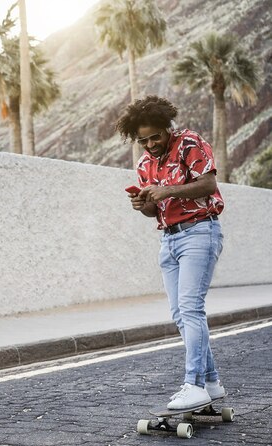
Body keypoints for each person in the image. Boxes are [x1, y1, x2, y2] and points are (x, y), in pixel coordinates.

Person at [116, 95, 226, 410]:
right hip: (169, 240)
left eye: (155, 136)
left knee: (190, 308)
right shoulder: (144, 165)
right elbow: (154, 210)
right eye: (143, 140)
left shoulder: (189, 143)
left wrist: (167, 190)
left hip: (199, 231)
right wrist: (143, 205)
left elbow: (208, 185)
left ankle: (193, 385)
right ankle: (212, 383)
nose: (150, 144)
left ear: (168, 128)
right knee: (181, 314)